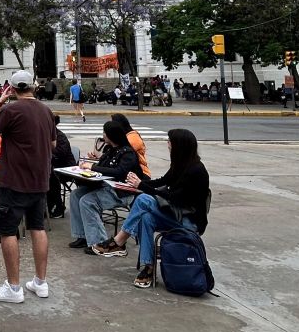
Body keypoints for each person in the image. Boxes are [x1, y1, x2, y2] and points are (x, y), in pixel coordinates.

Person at [93, 129, 210, 288]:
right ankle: (148, 267)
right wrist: (139, 182)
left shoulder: (196, 170)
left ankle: (119, 241)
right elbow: (162, 181)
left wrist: (141, 186)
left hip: (188, 221)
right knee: (146, 218)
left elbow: (173, 198)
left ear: (179, 146)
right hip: (175, 214)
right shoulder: (181, 164)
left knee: (143, 200)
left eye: (170, 142)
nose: (167, 145)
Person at [0, 70, 55, 303]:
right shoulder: (46, 111)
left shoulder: (11, 109)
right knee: (37, 228)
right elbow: (52, 143)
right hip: (40, 180)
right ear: (33, 86)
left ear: (12, 89)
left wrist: (0, 102)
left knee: (7, 231)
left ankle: (14, 288)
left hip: (14, 180)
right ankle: (40, 282)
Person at [68, 122, 146, 253]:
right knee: (76, 194)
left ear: (112, 135)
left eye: (105, 133)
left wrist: (93, 167)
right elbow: (103, 166)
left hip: (122, 192)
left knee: (88, 201)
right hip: (105, 186)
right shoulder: (110, 149)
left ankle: (98, 242)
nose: (103, 135)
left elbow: (119, 172)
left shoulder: (128, 153)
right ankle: (82, 235)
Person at [48, 115, 77, 218]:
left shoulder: (60, 137)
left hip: (66, 169)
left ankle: (59, 206)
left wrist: (47, 153)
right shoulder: (44, 135)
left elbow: (60, 154)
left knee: (51, 177)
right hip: (51, 168)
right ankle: (45, 206)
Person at [110, 113, 151, 178]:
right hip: (128, 171)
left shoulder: (133, 137)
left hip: (141, 173)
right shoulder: (123, 137)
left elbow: (119, 153)